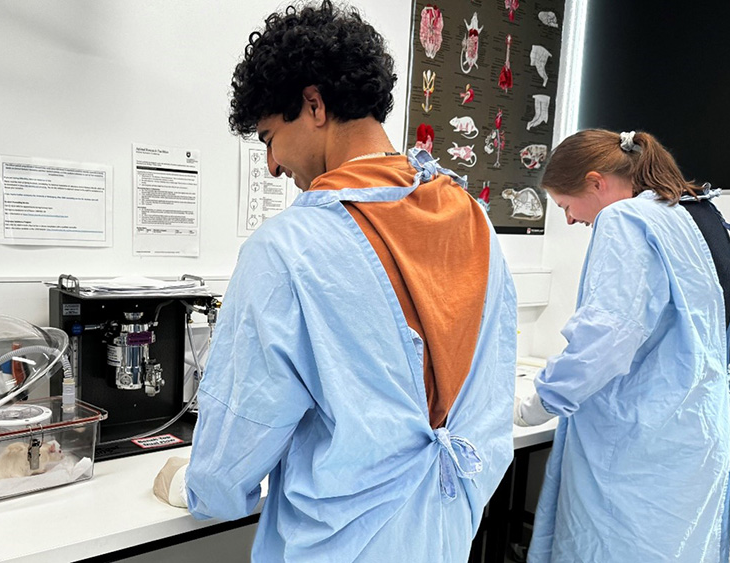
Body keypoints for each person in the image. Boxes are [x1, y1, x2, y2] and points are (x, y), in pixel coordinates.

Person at [152, 2, 517, 560]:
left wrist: (191, 484)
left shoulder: (288, 249)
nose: (271, 165)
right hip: (443, 533)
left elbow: (232, 459)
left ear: (314, 105)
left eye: (269, 137)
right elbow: (488, 411)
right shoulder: (474, 219)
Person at [514, 129, 730, 562]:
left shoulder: (626, 220)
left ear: (597, 182)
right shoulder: (700, 213)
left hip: (644, 447)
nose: (570, 220)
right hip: (700, 431)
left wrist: (536, 402)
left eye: (565, 205)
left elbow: (606, 338)